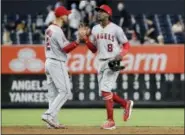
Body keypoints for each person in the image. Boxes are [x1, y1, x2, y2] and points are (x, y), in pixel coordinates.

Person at [80, 5, 134, 130]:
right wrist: (86, 40)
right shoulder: (95, 29)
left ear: (108, 14)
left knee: (105, 90)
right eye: (98, 11)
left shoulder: (116, 29)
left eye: (102, 11)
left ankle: (111, 121)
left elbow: (126, 45)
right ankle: (126, 104)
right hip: (100, 61)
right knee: (104, 93)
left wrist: (121, 55)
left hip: (112, 61)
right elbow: (94, 49)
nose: (99, 13)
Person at [41, 6, 86, 129]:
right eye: (66, 14)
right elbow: (65, 49)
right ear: (61, 16)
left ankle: (51, 122)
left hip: (49, 62)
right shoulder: (57, 30)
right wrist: (78, 41)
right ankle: (48, 115)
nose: (68, 16)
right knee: (65, 92)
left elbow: (61, 47)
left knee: (53, 94)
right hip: (56, 62)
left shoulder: (49, 29)